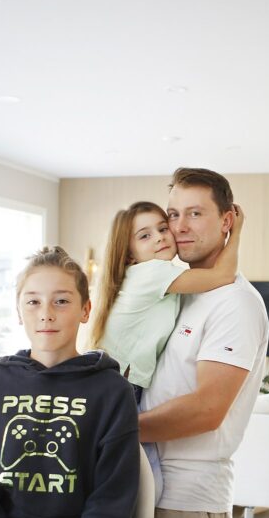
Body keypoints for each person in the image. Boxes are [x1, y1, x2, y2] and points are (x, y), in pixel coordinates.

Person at [139, 168, 269, 518]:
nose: (182, 226)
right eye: (174, 214)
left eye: (196, 213)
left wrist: (114, 429)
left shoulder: (236, 304)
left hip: (190, 497)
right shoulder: (176, 293)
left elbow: (207, 410)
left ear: (227, 220)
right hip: (142, 482)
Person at [0, 246, 139, 518]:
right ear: (18, 311)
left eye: (61, 301)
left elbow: (112, 501)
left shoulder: (113, 392)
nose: (46, 313)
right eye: (33, 302)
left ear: (85, 310)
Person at [90, 200, 244, 501]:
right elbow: (222, 277)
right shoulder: (153, 273)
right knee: (144, 484)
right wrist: (235, 233)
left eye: (162, 228)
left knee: (134, 479)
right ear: (130, 254)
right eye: (145, 236)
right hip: (117, 385)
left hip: (115, 383)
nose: (160, 237)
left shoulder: (162, 278)